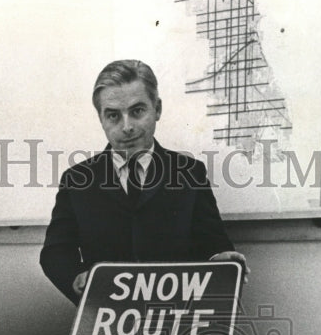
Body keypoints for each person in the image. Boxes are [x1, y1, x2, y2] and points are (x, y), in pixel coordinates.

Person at [40, 59, 249, 305]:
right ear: (101, 119)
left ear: (157, 109)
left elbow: (213, 244)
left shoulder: (189, 173)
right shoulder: (77, 180)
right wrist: (76, 279)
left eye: (137, 111)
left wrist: (220, 260)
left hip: (176, 319)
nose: (126, 127)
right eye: (113, 116)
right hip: (105, 318)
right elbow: (55, 252)